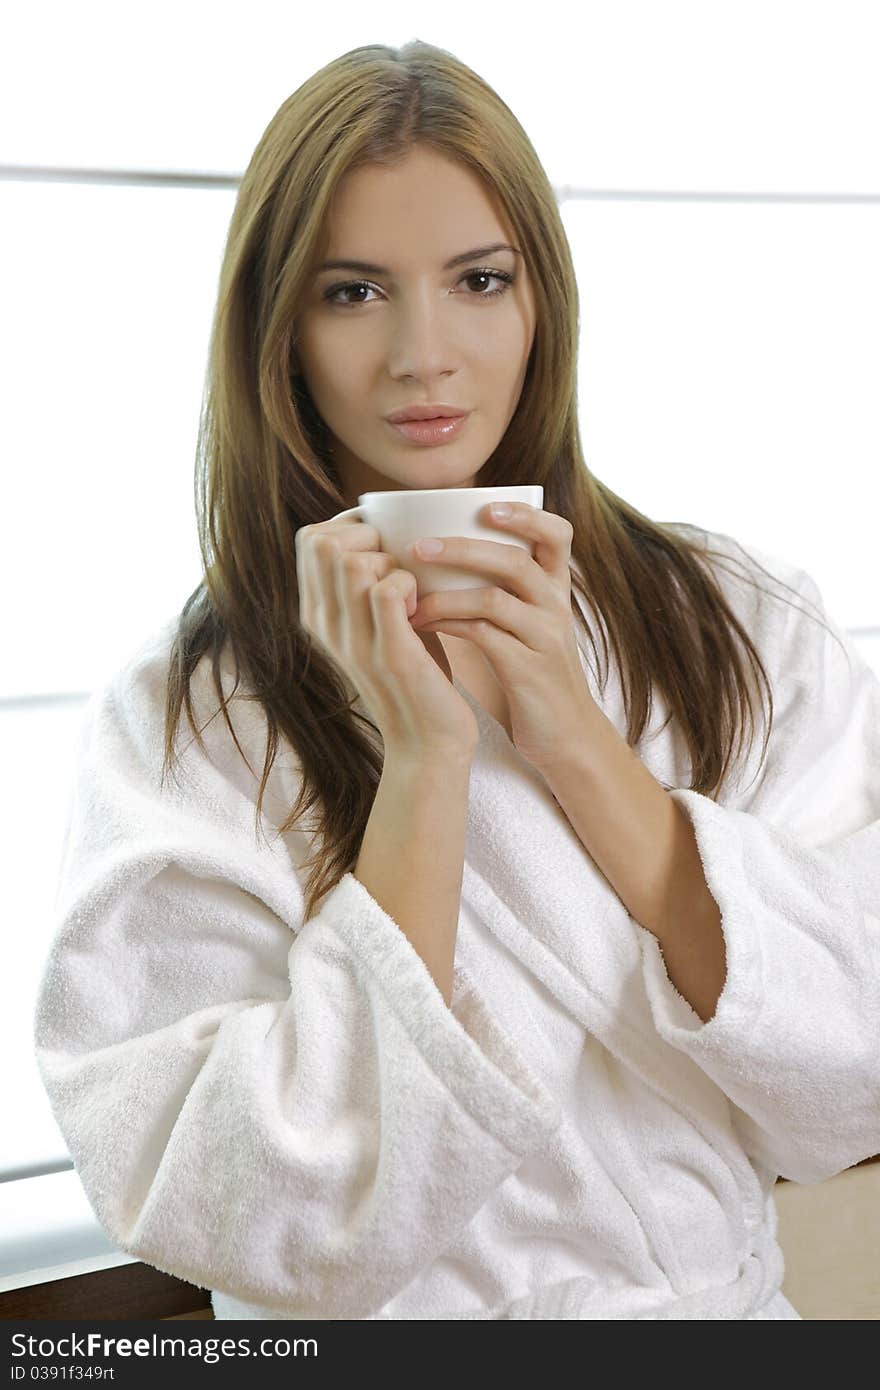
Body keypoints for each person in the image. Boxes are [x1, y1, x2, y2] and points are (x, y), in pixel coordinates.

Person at [33, 40, 880, 1321]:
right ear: (278, 332)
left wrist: (574, 738)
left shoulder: (734, 625)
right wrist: (423, 764)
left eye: (478, 279)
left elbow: (853, 1073)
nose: (424, 354)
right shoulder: (181, 719)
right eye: (355, 292)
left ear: (542, 303)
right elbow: (254, 1212)